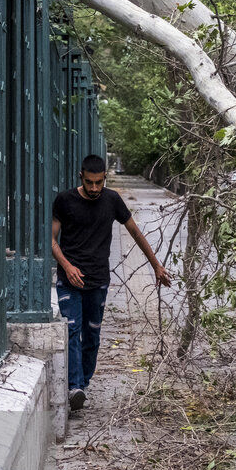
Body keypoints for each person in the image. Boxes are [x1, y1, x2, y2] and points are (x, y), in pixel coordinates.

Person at [51, 154, 171, 411]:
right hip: (69, 280)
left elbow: (135, 232)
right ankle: (75, 388)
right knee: (72, 330)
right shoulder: (64, 200)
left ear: (104, 178)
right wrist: (67, 266)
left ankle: (82, 383)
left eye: (99, 183)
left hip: (98, 281)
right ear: (80, 176)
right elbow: (50, 239)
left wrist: (156, 265)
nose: (94, 188)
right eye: (89, 182)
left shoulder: (112, 200)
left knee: (91, 334)